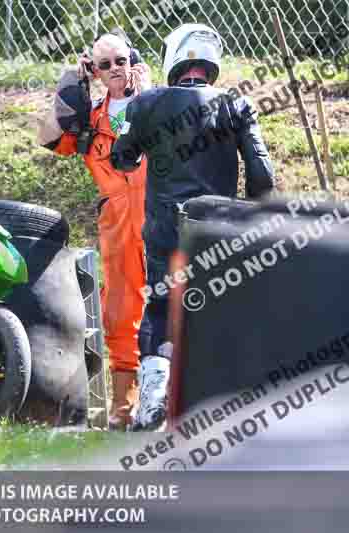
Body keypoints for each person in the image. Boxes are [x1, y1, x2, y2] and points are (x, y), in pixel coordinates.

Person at [110, 23, 276, 431]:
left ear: (174, 57)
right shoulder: (236, 104)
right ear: (210, 61)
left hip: (166, 230)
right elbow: (263, 178)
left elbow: (122, 159)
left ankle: (152, 402)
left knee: (162, 309)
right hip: (216, 231)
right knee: (220, 312)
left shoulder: (147, 104)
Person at [38, 30, 152, 430]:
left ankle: (176, 402)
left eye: (121, 60)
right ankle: (124, 412)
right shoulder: (89, 118)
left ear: (132, 60)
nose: (116, 70)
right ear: (97, 72)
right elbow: (48, 137)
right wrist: (72, 83)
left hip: (161, 215)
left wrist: (149, 93)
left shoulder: (156, 102)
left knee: (180, 307)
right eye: (105, 65)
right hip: (119, 224)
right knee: (121, 314)